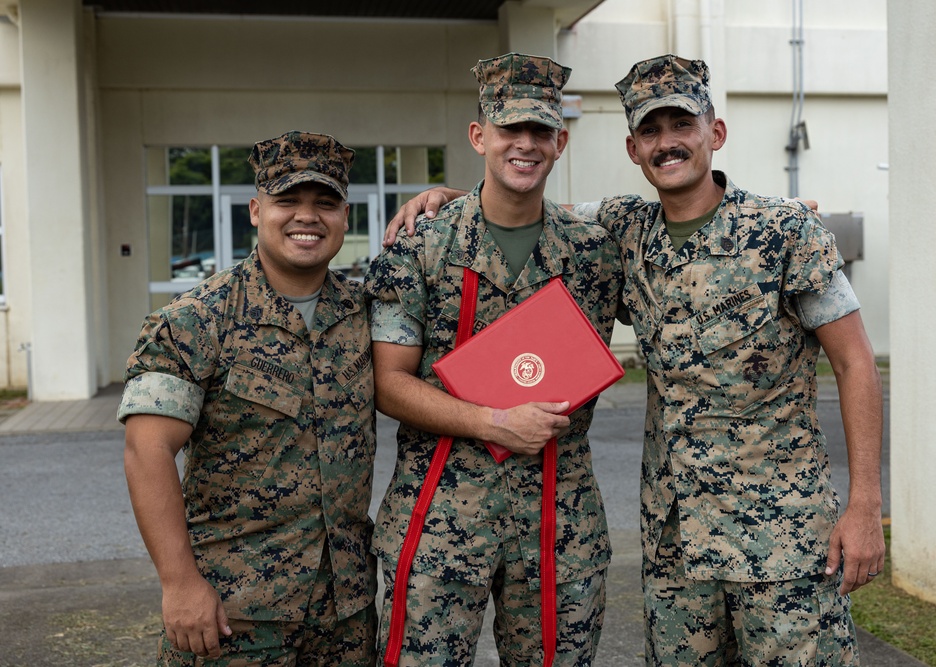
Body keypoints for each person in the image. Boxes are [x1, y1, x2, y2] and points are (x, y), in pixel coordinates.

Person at [385, 54, 885, 666]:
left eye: (683, 125)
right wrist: (448, 196)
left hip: (779, 536)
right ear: (632, 147)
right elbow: (522, 206)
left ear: (715, 133)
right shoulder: (624, 232)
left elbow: (857, 363)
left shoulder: (784, 234)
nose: (667, 143)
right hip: (675, 544)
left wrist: (865, 505)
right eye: (651, 131)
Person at [364, 53, 624, 666]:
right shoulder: (422, 245)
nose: (525, 145)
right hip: (441, 515)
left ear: (560, 142)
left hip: (560, 523)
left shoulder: (595, 250)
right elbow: (389, 383)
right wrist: (492, 422)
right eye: (511, 130)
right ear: (480, 136)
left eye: (540, 132)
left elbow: (689, 243)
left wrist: (784, 219)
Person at [120, 131, 378, 666]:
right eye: (288, 201)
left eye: (325, 203)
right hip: (233, 613)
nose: (307, 217)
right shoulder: (196, 319)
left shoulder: (366, 314)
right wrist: (180, 583)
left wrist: (442, 199)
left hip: (346, 613)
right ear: (257, 211)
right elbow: (147, 451)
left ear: (345, 218)